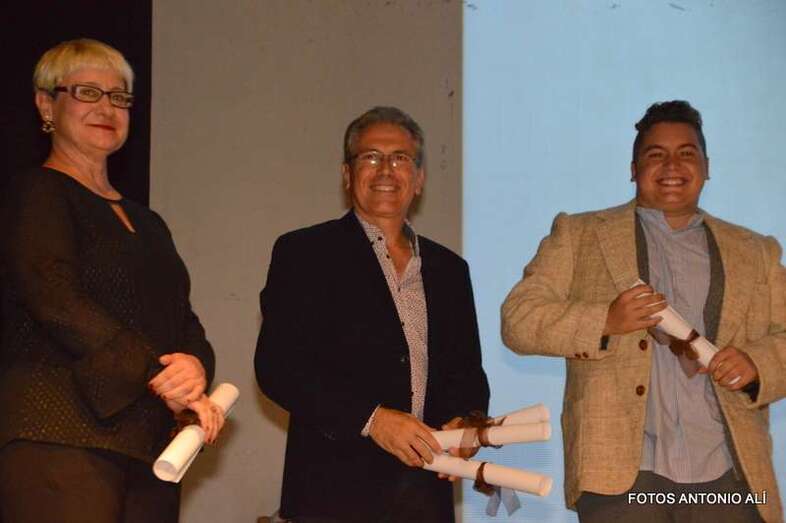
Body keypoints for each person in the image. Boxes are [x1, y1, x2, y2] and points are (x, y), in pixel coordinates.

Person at [501, 101, 784, 523]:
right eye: (656, 154)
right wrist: (605, 320)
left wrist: (757, 363)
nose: (672, 165)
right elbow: (518, 320)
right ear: (634, 169)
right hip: (621, 480)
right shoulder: (579, 234)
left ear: (707, 167)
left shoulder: (756, 251)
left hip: (730, 476)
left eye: (686, 153)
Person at [0, 38, 225, 523]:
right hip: (59, 433)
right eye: (87, 92)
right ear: (46, 105)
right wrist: (159, 376)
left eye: (119, 97)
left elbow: (181, 319)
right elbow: (55, 298)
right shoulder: (36, 192)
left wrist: (194, 367)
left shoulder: (149, 222)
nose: (107, 108)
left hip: (149, 445)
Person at [255, 106, 489, 522]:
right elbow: (279, 368)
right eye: (371, 157)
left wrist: (466, 421)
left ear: (419, 178)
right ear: (347, 175)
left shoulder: (451, 269)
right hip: (332, 497)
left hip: (426, 499)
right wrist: (372, 420)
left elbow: (468, 372)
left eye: (400, 158)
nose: (386, 170)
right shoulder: (304, 253)